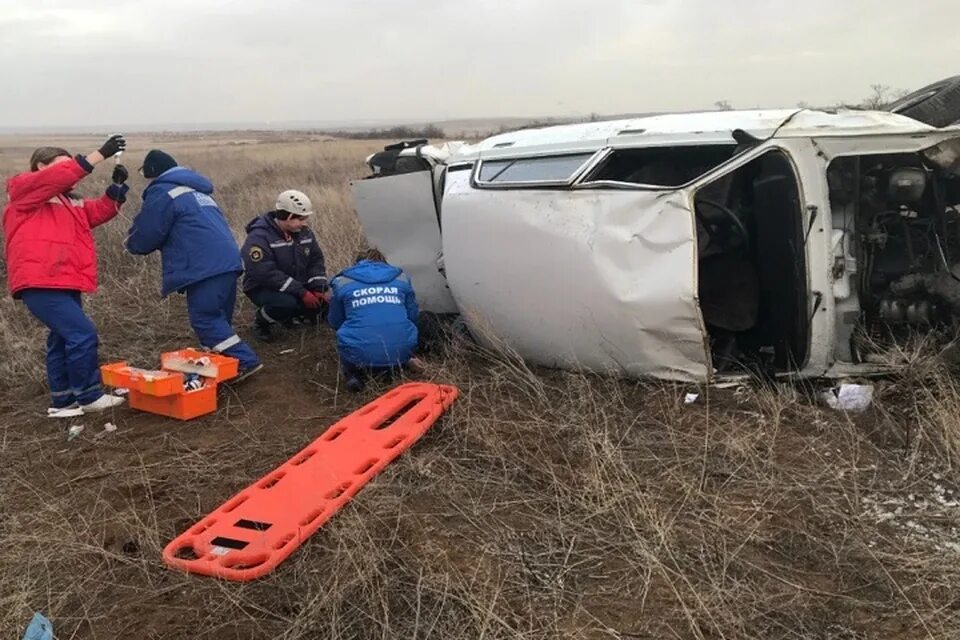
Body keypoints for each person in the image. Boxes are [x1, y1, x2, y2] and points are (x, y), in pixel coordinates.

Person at [3, 135, 130, 417]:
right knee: (82, 334)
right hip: (40, 279)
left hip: (64, 279)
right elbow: (60, 177)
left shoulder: (68, 201)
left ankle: (63, 402)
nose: (71, 169)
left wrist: (116, 190)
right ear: (40, 167)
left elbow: (97, 213)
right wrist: (98, 155)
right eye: (63, 165)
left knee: (62, 338)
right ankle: (88, 395)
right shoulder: (23, 191)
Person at [125, 149, 262, 382]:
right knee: (219, 319)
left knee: (205, 319)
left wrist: (131, 243)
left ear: (152, 173)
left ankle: (245, 362)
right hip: (227, 261)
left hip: (202, 266)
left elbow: (147, 234)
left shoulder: (162, 192)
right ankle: (218, 364)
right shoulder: (198, 192)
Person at [240, 190, 329, 342]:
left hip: (295, 284)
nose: (304, 223)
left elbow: (316, 260)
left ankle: (292, 316)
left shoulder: (304, 233)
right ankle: (261, 322)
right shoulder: (259, 238)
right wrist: (302, 293)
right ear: (287, 217)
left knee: (324, 305)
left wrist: (318, 288)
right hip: (263, 287)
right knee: (286, 304)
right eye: (300, 219)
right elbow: (266, 274)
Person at [327, 248, 420, 392]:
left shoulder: (342, 282)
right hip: (401, 352)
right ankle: (397, 364)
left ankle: (353, 375)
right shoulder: (401, 278)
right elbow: (412, 316)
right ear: (384, 262)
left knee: (347, 334)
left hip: (358, 356)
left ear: (357, 264)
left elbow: (335, 321)